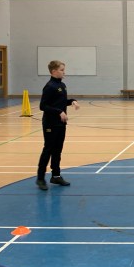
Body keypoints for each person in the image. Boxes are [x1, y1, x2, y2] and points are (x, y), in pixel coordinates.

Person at [36, 60, 79, 190]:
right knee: (48, 149)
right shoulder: (49, 86)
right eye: (61, 70)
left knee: (57, 150)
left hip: (61, 124)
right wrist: (59, 112)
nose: (64, 72)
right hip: (50, 124)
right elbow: (43, 106)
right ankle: (40, 178)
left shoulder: (62, 85)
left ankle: (56, 175)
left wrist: (72, 101)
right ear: (54, 71)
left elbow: (60, 102)